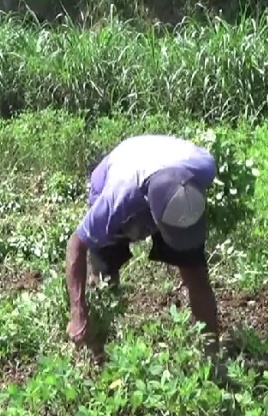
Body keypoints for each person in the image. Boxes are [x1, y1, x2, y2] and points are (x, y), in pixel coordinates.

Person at [64, 134, 221, 364]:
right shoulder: (116, 198)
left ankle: (212, 358)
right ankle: (96, 351)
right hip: (127, 173)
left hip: (170, 181)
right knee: (104, 274)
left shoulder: (204, 167)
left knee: (195, 271)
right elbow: (76, 245)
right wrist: (77, 312)